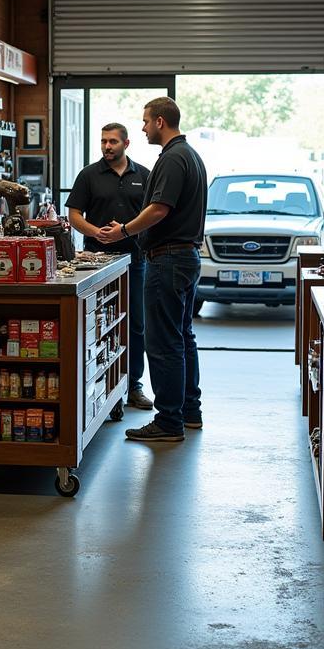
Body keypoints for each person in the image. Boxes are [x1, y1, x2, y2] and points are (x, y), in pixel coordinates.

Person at [97, 97, 207, 443]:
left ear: (160, 121)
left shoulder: (174, 158)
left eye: (145, 121)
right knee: (182, 336)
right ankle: (189, 411)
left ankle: (169, 421)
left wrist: (124, 230)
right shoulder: (188, 155)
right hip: (185, 258)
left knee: (164, 343)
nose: (142, 127)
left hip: (169, 259)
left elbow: (159, 209)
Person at [66, 124, 153, 410]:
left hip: (136, 260)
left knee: (136, 325)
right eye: (103, 141)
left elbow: (153, 215)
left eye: (113, 141)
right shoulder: (89, 175)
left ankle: (134, 386)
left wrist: (126, 232)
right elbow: (74, 214)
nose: (107, 146)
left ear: (126, 143)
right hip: (96, 262)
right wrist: (93, 232)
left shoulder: (144, 175)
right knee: (98, 323)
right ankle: (100, 380)